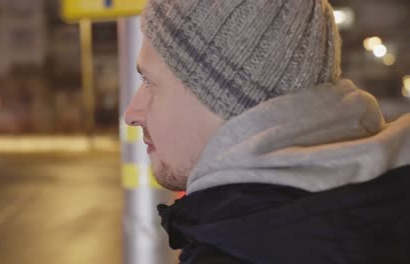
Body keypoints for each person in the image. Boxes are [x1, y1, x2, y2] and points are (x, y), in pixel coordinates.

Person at [124, 0, 410, 263]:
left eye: (149, 82)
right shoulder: (381, 207)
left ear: (221, 96)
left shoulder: (239, 248)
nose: (131, 114)